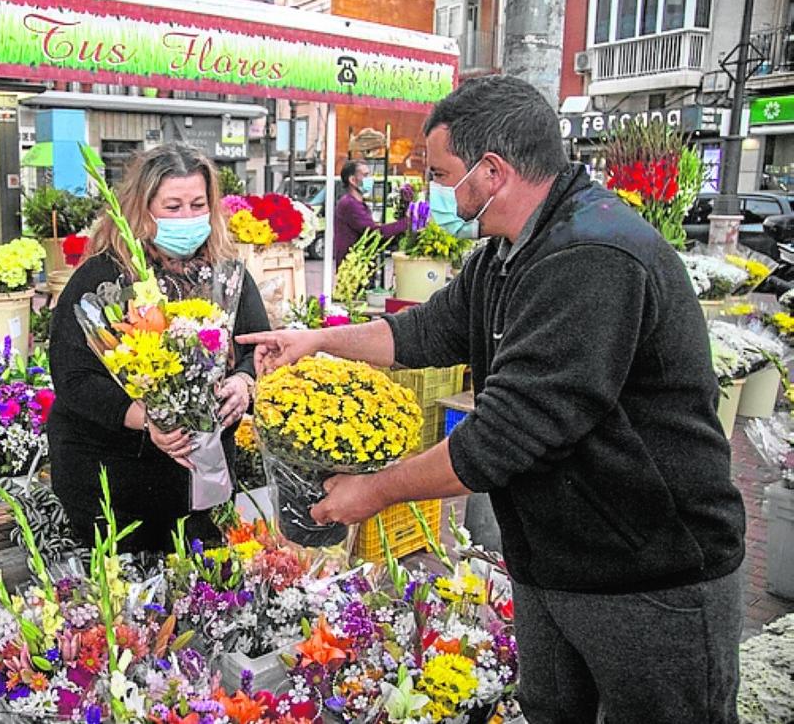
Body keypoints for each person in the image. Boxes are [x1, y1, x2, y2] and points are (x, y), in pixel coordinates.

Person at [240, 76, 746, 723]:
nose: (435, 190)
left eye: (441, 172)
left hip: (647, 575)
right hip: (556, 562)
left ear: (492, 171)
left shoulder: (593, 254)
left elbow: (506, 433)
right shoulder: (508, 252)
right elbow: (422, 331)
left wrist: (373, 490)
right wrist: (316, 340)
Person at [48, 143, 271, 553]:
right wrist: (146, 418)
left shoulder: (227, 275)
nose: (187, 217)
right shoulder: (103, 280)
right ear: (143, 209)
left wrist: (243, 382)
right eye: (173, 206)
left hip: (200, 481)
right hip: (113, 480)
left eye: (197, 204)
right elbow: (72, 376)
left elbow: (256, 346)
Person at [334, 160, 409, 266]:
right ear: (352, 180)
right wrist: (406, 223)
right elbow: (374, 232)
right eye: (365, 175)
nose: (370, 179)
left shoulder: (358, 203)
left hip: (359, 265)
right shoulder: (350, 204)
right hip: (352, 268)